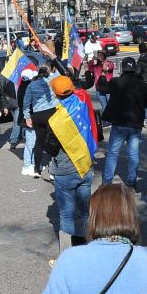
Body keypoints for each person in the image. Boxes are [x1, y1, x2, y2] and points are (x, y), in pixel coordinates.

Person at [42, 76, 95, 263]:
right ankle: (92, 248)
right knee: (86, 212)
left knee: (66, 215)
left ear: (55, 94)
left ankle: (67, 258)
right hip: (85, 165)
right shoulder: (83, 104)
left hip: (65, 170)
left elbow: (50, 148)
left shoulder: (56, 120)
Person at [97, 57, 147, 191]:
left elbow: (101, 88)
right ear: (134, 68)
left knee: (112, 153)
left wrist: (103, 73)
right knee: (133, 154)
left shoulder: (116, 82)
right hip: (135, 124)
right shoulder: (142, 84)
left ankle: (107, 183)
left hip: (119, 123)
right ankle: (131, 182)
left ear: (123, 69)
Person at [24, 66, 58, 176]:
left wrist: (27, 117)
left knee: (39, 141)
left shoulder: (31, 85)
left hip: (38, 115)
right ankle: (53, 170)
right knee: (53, 140)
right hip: (51, 112)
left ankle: (36, 169)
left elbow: (26, 103)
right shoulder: (51, 81)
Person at [18, 69, 39, 177]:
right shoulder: (28, 88)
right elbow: (27, 105)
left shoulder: (22, 87)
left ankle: (32, 164)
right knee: (31, 143)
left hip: (28, 118)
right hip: (30, 118)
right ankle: (27, 165)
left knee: (32, 142)